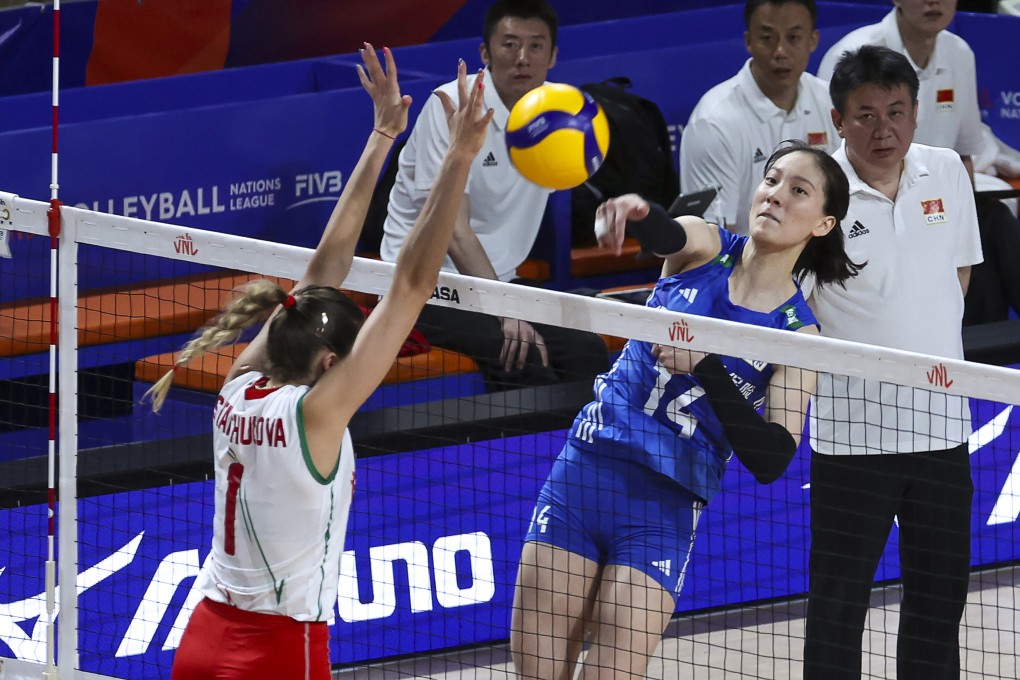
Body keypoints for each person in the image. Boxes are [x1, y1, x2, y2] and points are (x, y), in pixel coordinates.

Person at [147, 49, 493, 679]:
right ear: (331, 361)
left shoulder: (236, 387)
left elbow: (318, 274)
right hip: (277, 651)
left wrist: (383, 134)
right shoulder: (318, 415)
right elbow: (412, 284)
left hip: (203, 635)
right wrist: (459, 158)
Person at [511, 141, 863, 679]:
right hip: (586, 472)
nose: (776, 196)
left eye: (798, 191)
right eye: (771, 180)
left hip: (665, 507)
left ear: (822, 223)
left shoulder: (797, 335)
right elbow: (671, 233)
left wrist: (706, 366)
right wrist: (640, 211)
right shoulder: (706, 249)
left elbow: (772, 459)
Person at [803, 45, 982, 680]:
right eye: (867, 115)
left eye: (898, 112)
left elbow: (957, 275)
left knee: (939, 604)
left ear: (916, 112)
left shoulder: (946, 172)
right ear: (838, 120)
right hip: (853, 441)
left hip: (941, 433)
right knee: (838, 605)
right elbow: (784, 307)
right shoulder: (814, 194)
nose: (885, 131)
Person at [379, 0, 610, 392]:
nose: (523, 58)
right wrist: (504, 307)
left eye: (536, 46)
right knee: (519, 353)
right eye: (509, 45)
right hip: (425, 287)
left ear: (553, 56)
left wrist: (614, 209)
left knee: (585, 348)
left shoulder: (557, 111)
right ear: (485, 53)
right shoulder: (453, 108)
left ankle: (582, 452)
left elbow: (580, 184)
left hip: (502, 280)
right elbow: (452, 231)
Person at [817, 0, 1020, 324]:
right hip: (863, 202)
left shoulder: (959, 53)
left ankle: (987, 350)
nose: (934, 2)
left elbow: (965, 151)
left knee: (993, 222)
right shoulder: (853, 54)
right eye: (870, 115)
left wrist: (963, 222)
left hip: (933, 200)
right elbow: (829, 162)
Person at [679, 0, 840, 235]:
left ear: (813, 40)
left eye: (793, 38)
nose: (780, 52)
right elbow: (714, 240)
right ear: (749, 42)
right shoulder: (714, 122)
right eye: (767, 38)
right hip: (748, 266)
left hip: (824, 261)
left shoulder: (831, 102)